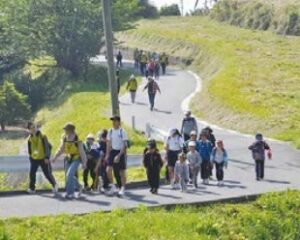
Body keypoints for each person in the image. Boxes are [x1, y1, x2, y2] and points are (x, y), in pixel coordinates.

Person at [52, 123, 87, 199]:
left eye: (66, 129)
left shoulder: (77, 139)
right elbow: (61, 149)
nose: (65, 130)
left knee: (69, 174)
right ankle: (80, 186)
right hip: (68, 158)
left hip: (76, 158)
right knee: (69, 176)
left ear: (71, 130)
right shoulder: (64, 138)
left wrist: (84, 162)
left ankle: (70, 193)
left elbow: (82, 152)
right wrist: (55, 157)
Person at [26, 122, 58, 194]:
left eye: (34, 127)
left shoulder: (43, 136)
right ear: (29, 130)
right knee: (32, 173)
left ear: (36, 127)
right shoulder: (29, 139)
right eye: (31, 128)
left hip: (43, 158)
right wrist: (31, 157)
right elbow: (30, 150)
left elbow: (47, 147)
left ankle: (55, 185)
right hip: (34, 159)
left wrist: (47, 157)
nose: (33, 129)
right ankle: (32, 189)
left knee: (47, 174)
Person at [105, 116, 129, 196]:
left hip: (120, 151)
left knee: (121, 172)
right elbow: (108, 143)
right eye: (113, 121)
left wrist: (119, 155)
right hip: (113, 151)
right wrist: (107, 154)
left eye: (115, 121)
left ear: (119, 122)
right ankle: (113, 186)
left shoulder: (122, 131)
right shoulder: (110, 131)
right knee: (108, 169)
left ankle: (123, 188)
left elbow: (124, 145)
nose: (113, 122)